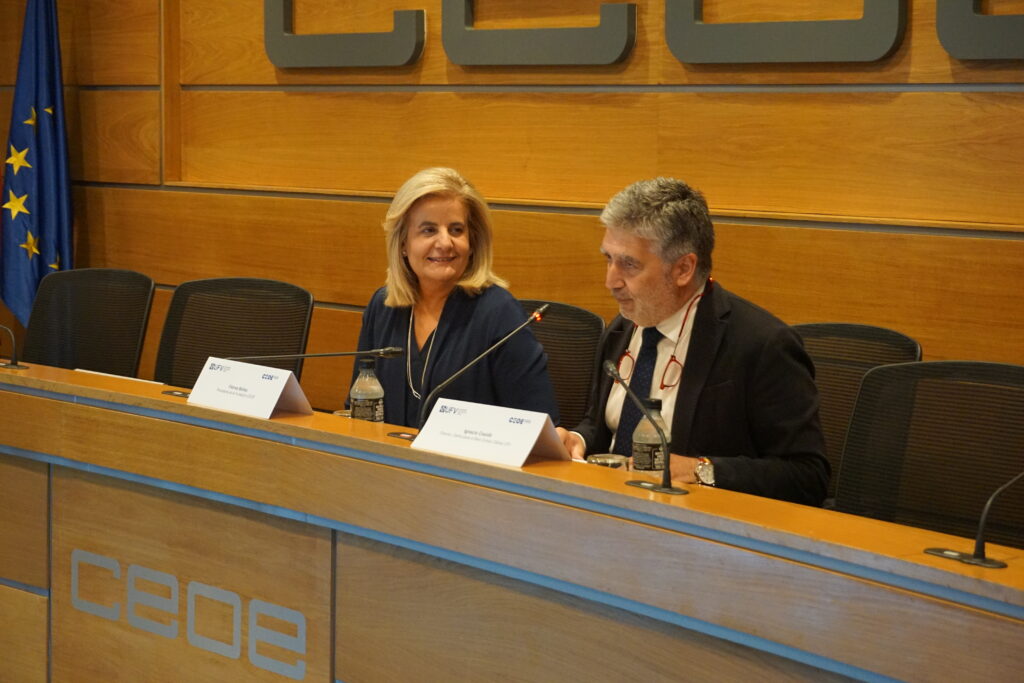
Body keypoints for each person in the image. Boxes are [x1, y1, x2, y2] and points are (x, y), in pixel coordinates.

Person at [556, 178, 829, 506]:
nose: (610, 280)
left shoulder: (761, 345)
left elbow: (807, 476)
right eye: (608, 259)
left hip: (702, 529)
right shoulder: (622, 328)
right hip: (612, 512)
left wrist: (703, 470)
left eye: (629, 264)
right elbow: (607, 428)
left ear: (683, 268)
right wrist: (578, 440)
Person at [354, 167, 559, 428]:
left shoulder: (499, 313)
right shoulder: (383, 307)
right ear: (403, 243)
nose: (445, 243)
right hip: (386, 465)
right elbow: (360, 407)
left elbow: (539, 425)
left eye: (456, 230)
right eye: (428, 230)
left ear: (472, 242)